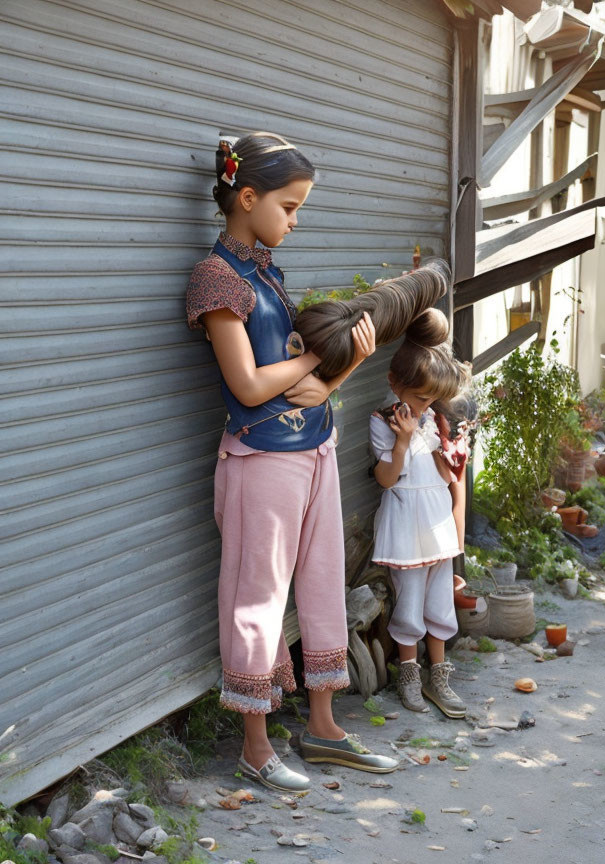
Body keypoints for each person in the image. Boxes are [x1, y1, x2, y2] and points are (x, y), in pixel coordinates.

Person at [186, 131, 399, 793]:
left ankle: (324, 729)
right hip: (260, 461)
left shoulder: (266, 272)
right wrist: (316, 361)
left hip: (313, 450)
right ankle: (255, 745)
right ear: (246, 197)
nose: (296, 219)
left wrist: (345, 370)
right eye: (289, 205)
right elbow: (251, 385)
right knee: (257, 601)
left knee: (321, 583)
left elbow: (304, 385)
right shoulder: (216, 280)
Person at [369, 308, 472, 717]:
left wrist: (451, 451)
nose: (427, 406)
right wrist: (402, 441)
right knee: (409, 602)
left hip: (436, 519)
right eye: (421, 397)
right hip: (406, 523)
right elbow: (386, 479)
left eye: (432, 400)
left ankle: (439, 676)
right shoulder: (385, 421)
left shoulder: (430, 418)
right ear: (395, 383)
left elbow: (444, 474)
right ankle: (410, 674)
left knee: (439, 601)